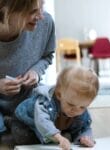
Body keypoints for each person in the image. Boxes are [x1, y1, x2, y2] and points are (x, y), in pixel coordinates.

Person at [0, 0, 55, 146]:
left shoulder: (46, 23)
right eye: (32, 11)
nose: (41, 16)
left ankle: (14, 127)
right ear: (6, 9)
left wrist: (36, 71)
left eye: (42, 6)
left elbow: (47, 56)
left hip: (27, 99)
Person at [15, 66, 99, 150]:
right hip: (26, 122)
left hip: (56, 125)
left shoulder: (79, 107)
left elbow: (85, 127)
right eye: (71, 104)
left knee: (73, 134)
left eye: (82, 107)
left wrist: (85, 137)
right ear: (59, 94)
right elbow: (42, 122)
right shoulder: (45, 102)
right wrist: (58, 138)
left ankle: (56, 135)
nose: (76, 110)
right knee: (23, 137)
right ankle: (9, 125)